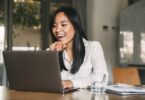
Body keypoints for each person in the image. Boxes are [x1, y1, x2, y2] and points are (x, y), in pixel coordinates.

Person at [48, 6, 108, 89]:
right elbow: (44, 81)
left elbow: (102, 78)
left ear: (76, 26)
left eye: (63, 24)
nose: (57, 30)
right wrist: (52, 57)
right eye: (54, 26)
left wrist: (73, 83)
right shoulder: (51, 51)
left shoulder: (93, 47)